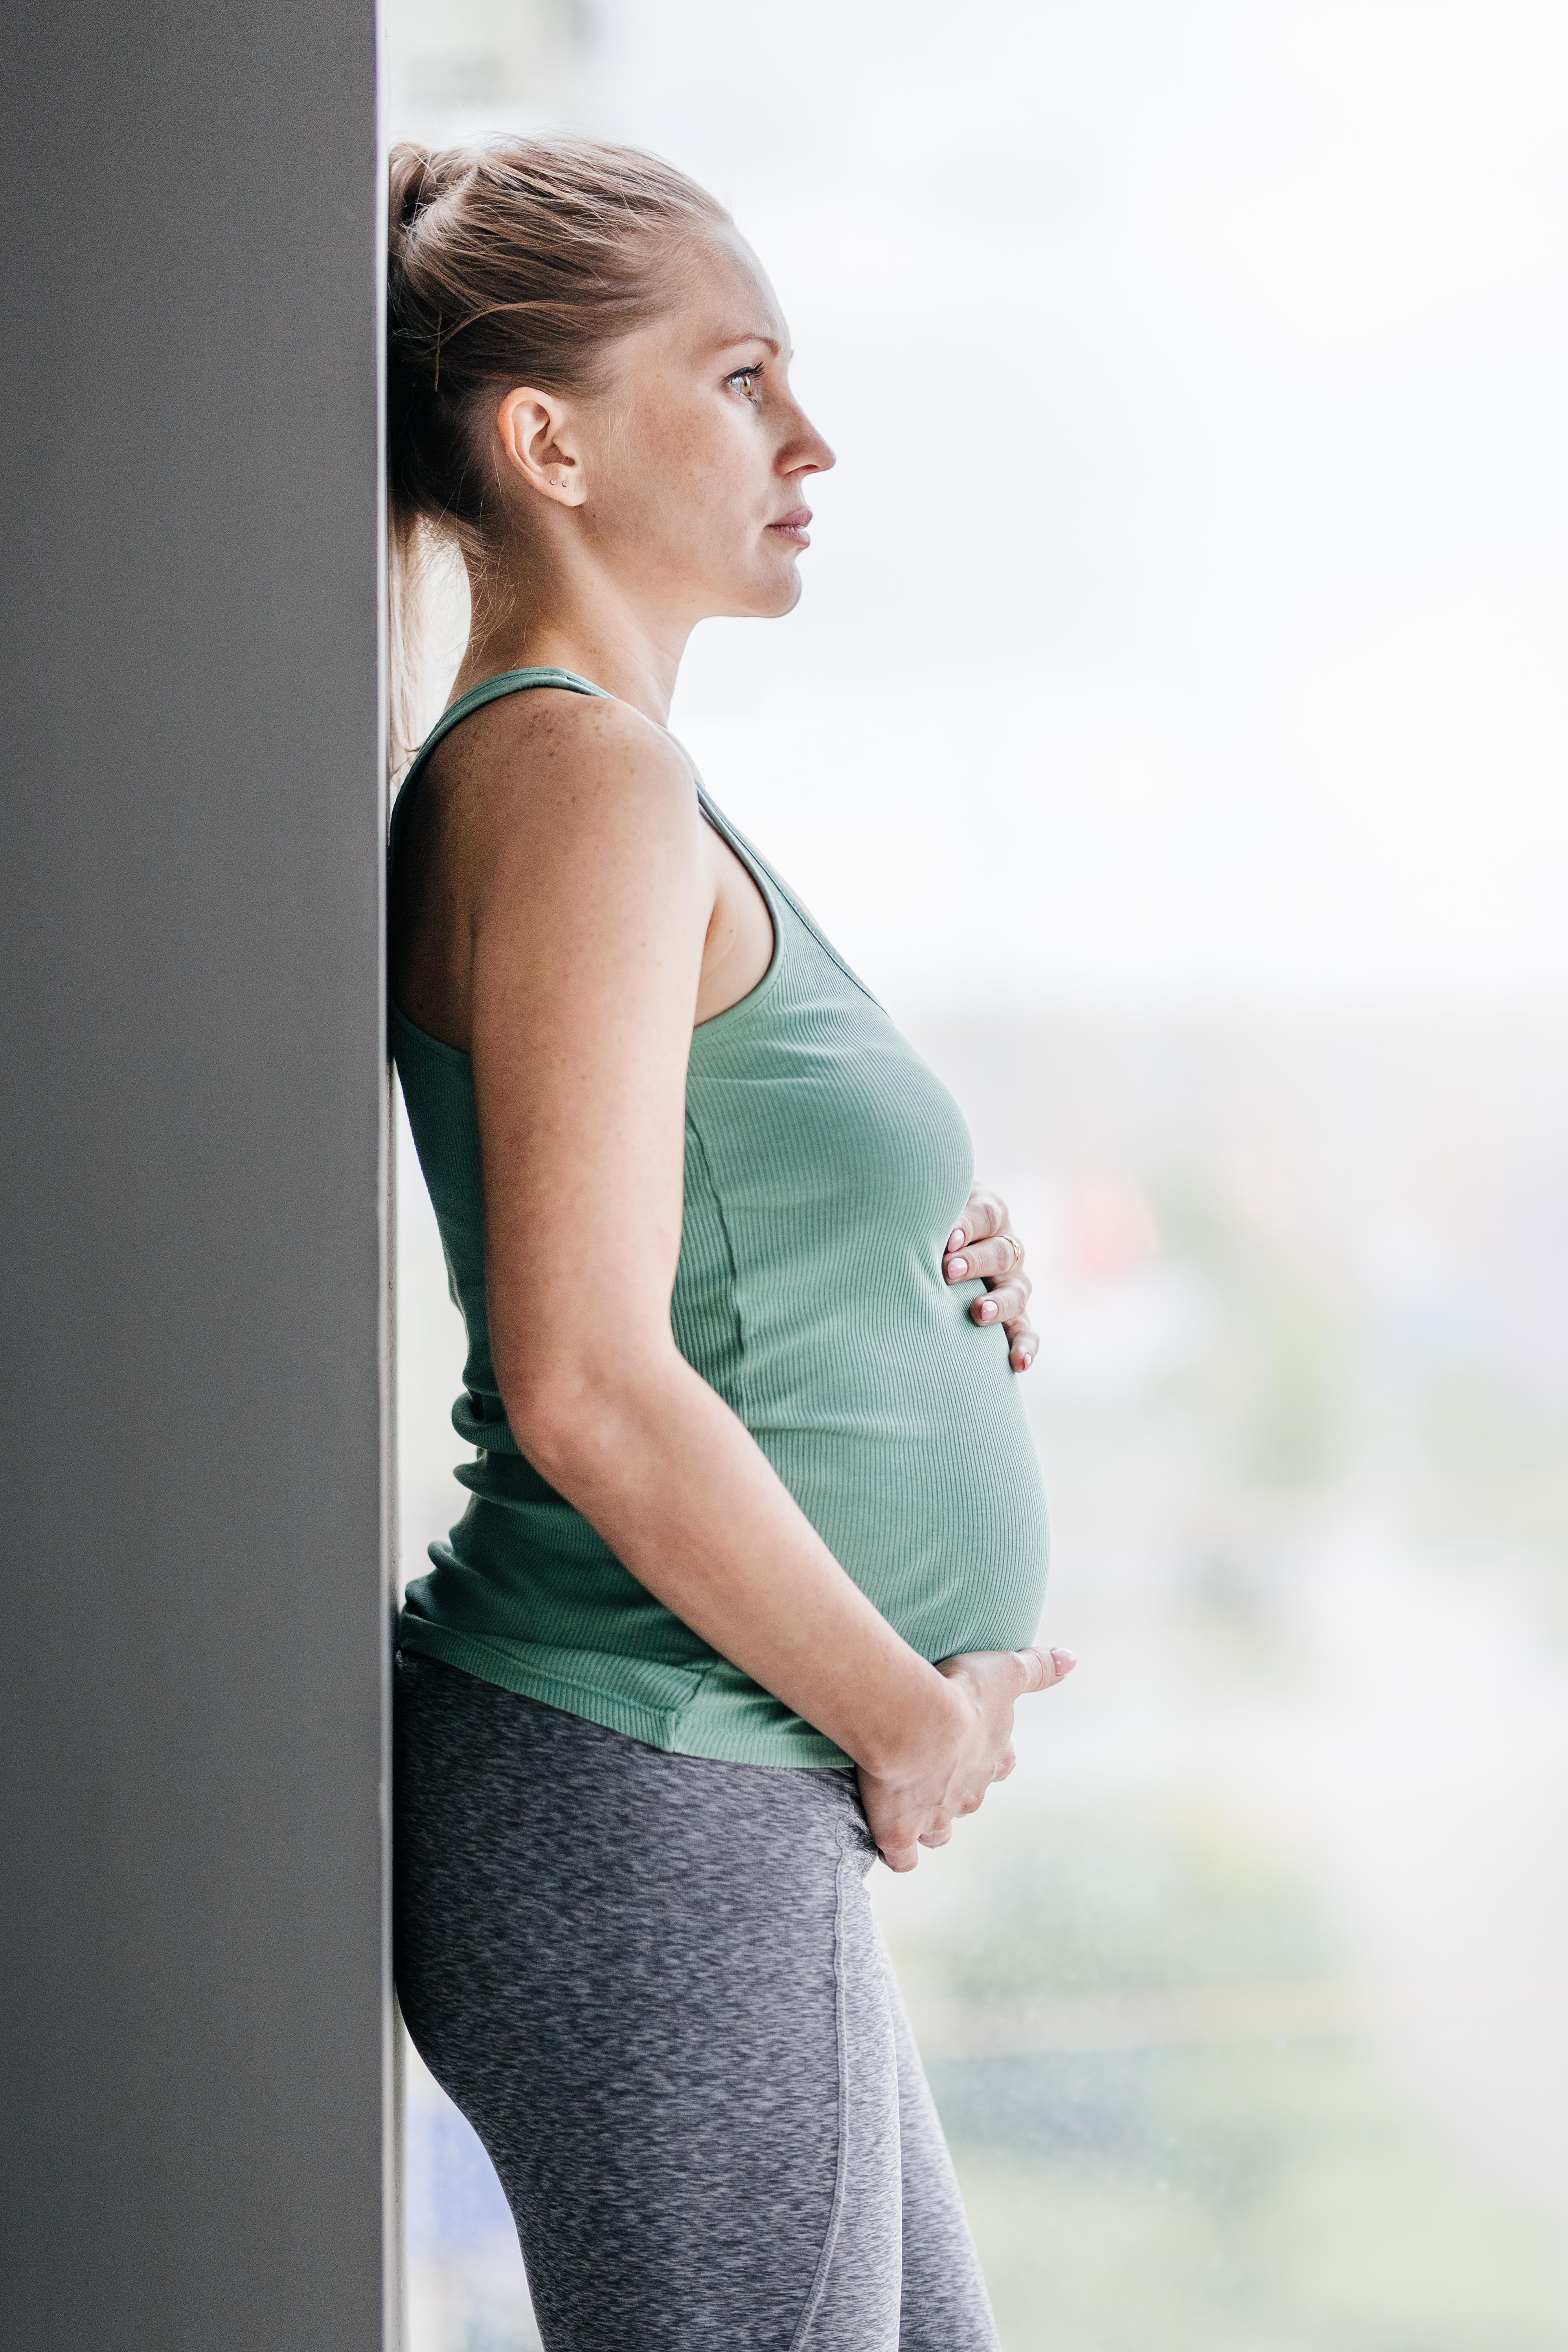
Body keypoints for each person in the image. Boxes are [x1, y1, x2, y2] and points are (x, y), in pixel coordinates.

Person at [386, 136, 1075, 2352]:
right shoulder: (574, 778)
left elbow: (698, 1230)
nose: (812, 440)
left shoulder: (609, 777)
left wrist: (915, 1278)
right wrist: (906, 1719)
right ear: (548, 440)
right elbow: (586, 1377)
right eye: (743, 376)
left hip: (696, 1781)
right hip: (646, 1774)